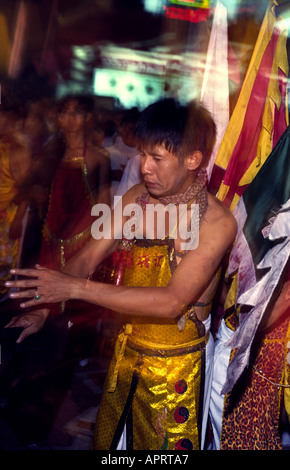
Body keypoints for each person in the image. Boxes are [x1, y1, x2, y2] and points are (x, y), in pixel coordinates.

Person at [5, 98, 237, 451]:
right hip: (127, 354)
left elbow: (170, 302)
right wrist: (42, 305)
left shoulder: (215, 222)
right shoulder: (136, 198)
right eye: (143, 154)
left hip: (177, 368)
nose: (144, 167)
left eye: (157, 158)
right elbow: (88, 257)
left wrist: (75, 288)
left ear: (192, 159)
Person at [0, 103, 31, 300]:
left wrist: (18, 219)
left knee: (4, 266)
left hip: (8, 215)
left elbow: (27, 188)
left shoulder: (18, 150)